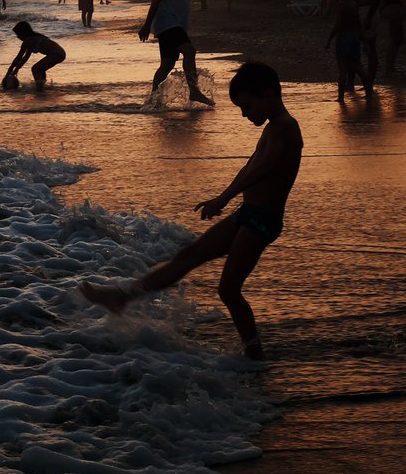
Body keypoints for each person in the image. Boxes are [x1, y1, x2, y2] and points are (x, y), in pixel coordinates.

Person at [80, 62, 302, 361]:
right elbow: (249, 167)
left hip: (262, 220)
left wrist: (223, 200)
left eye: (247, 106)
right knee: (190, 255)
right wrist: (222, 198)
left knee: (229, 289)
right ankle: (123, 296)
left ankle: (255, 355)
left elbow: (262, 170)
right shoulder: (274, 127)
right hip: (248, 213)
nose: (244, 114)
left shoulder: (286, 127)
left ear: (269, 94)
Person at [139, 0, 212, 105]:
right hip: (167, 23)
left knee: (167, 64)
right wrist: (146, 25)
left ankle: (153, 99)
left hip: (176, 25)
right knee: (190, 51)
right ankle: (194, 91)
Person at [326, 0, 371, 101]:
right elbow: (359, 24)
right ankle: (369, 92)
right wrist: (365, 42)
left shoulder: (341, 5)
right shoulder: (354, 5)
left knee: (342, 69)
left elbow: (338, 24)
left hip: (343, 38)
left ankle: (340, 98)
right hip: (354, 37)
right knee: (358, 67)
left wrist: (329, 39)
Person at [5, 21, 66, 91]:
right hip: (60, 53)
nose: (18, 37)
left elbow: (19, 57)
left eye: (18, 35)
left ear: (23, 33)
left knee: (35, 68)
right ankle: (42, 86)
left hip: (56, 53)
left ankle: (39, 89)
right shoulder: (33, 38)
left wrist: (11, 69)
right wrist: (16, 69)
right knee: (40, 69)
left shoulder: (28, 41)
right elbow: (25, 57)